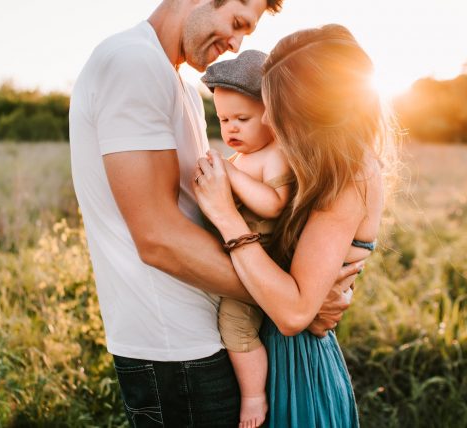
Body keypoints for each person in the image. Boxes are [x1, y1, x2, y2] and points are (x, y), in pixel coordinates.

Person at [69, 1, 366, 425]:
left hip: (208, 337)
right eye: (236, 23)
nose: (237, 44)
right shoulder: (133, 64)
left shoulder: (182, 86)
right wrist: (294, 301)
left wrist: (299, 293)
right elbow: (157, 239)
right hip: (177, 349)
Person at [193, 24, 396, 427]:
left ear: (311, 110)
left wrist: (226, 217)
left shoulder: (348, 176)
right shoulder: (317, 168)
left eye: (275, 105)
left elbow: (294, 312)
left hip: (297, 366)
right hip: (276, 351)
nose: (267, 116)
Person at [201, 49, 292, 427]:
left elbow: (273, 204)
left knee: (234, 324)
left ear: (271, 116)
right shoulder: (241, 158)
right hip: (238, 259)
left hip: (264, 266)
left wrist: (230, 175)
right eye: (224, 120)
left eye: (242, 118)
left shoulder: (276, 154)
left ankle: (254, 398)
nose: (231, 129)